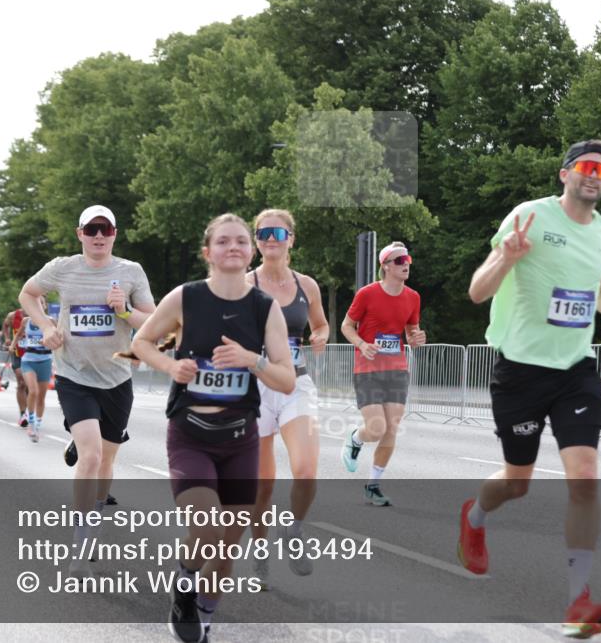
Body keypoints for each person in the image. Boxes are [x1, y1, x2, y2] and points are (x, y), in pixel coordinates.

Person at [461, 140, 601, 638]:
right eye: (586, 167)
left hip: (575, 370)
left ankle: (577, 601)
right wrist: (507, 258)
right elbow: (478, 290)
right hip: (522, 370)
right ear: (565, 174)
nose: (595, 175)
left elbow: (599, 291)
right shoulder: (529, 217)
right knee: (517, 481)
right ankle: (476, 514)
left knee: (585, 476)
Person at [126, 213, 294, 643]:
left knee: (225, 548)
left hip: (241, 439)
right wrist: (169, 364)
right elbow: (141, 342)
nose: (233, 247)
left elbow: (286, 379)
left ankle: (204, 614)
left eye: (241, 241)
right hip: (191, 435)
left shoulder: (264, 308)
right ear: (208, 252)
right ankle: (184, 583)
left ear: (252, 250)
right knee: (207, 531)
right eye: (223, 242)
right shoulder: (185, 298)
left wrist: (251, 360)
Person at [19, 204, 156, 577]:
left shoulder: (130, 272)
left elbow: (153, 320)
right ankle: (81, 541)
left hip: (117, 378)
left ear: (115, 233)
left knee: (107, 463)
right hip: (73, 374)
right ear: (79, 233)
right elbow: (27, 294)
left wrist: (125, 311)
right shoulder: (62, 268)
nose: (99, 235)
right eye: (91, 229)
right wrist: (46, 326)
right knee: (92, 457)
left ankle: (93, 506)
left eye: (106, 229)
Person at [245, 209, 329, 586]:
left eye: (278, 232)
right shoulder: (243, 284)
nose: (270, 238)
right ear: (256, 241)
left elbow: (321, 323)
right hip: (256, 389)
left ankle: (293, 530)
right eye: (263, 233)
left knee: (306, 470)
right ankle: (260, 548)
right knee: (262, 485)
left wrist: (321, 336)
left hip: (296, 384)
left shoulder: (306, 285)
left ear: (291, 238)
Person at [339, 241, 425, 507]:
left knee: (392, 429)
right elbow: (346, 325)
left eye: (407, 260)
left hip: (397, 368)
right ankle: (355, 439)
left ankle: (373, 485)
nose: (405, 265)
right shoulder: (366, 294)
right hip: (368, 369)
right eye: (399, 261)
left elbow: (412, 330)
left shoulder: (413, 297)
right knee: (376, 429)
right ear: (385, 266)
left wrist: (416, 337)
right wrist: (362, 344)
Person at [14, 296, 53, 442]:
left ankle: (37, 425)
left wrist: (48, 341)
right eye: (35, 303)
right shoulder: (26, 321)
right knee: (33, 391)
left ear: (45, 306)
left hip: (45, 361)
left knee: (41, 397)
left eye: (41, 303)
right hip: (28, 360)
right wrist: (12, 345)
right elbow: (18, 334)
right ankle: (30, 423)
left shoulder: (51, 321)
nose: (38, 305)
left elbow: (60, 339)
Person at [4, 306, 30, 427]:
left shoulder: (37, 314)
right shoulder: (13, 315)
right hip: (17, 352)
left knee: (30, 386)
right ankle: (22, 413)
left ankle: (30, 412)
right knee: (21, 382)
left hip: (32, 353)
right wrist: (8, 338)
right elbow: (5, 325)